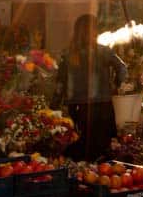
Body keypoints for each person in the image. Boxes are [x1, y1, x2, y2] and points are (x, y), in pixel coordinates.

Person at [53, 14, 127, 161]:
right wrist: (117, 85)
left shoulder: (67, 54)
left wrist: (54, 106)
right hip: (103, 105)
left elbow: (60, 83)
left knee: (81, 145)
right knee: (102, 147)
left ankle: (80, 175)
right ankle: (100, 176)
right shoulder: (104, 51)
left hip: (77, 107)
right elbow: (122, 69)